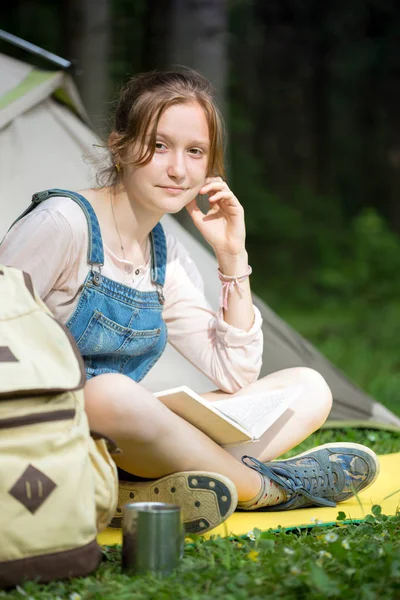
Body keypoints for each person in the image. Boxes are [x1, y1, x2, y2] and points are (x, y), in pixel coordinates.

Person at [0, 69, 379, 534]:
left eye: (194, 152)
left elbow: (234, 373)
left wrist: (231, 256)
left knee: (309, 387)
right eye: (159, 146)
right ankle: (265, 488)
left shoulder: (165, 251)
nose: (178, 169)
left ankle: (134, 493)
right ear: (119, 147)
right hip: (46, 440)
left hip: (126, 443)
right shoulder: (62, 222)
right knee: (108, 394)